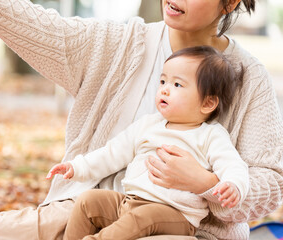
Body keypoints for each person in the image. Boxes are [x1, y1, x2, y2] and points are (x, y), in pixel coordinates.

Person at [0, 0, 283, 239]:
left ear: (230, 3)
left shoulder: (249, 78)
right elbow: (45, 31)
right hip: (95, 206)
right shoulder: (117, 44)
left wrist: (206, 183)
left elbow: (270, 182)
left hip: (186, 228)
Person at [46, 46, 249, 239]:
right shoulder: (148, 125)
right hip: (129, 201)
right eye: (163, 82)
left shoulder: (210, 135)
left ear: (207, 103)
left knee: (141, 218)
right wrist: (77, 166)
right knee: (87, 201)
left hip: (175, 214)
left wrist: (234, 185)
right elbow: (112, 152)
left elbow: (232, 165)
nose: (165, 90)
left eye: (177, 84)